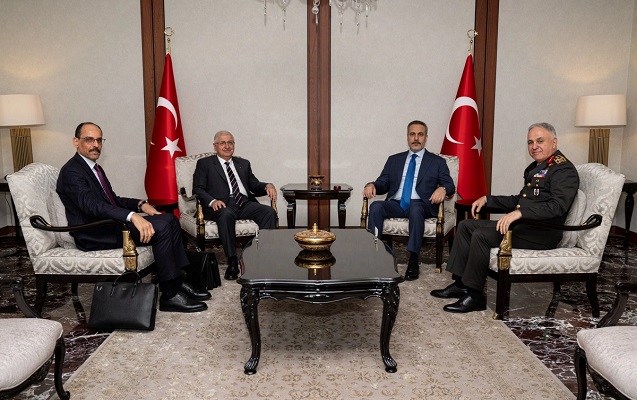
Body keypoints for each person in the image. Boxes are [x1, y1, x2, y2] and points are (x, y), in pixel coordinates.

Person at [57, 122, 210, 313]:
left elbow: (112, 200)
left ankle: (177, 281)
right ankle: (170, 295)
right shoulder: (72, 171)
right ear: (76, 141)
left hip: (109, 225)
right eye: (89, 140)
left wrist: (140, 205)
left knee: (170, 219)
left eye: (99, 140)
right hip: (94, 233)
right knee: (162, 227)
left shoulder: (94, 168)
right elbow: (91, 205)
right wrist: (132, 216)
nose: (95, 145)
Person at [431, 122, 579, 313]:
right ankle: (461, 285)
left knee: (482, 235)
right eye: (530, 142)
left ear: (554, 142)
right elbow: (520, 200)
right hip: (525, 226)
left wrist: (521, 213)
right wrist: (488, 199)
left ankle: (475, 296)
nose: (534, 146)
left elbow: (557, 206)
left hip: (541, 233)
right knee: (466, 226)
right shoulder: (539, 167)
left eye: (540, 141)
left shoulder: (563, 170)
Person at [363, 120, 456, 280]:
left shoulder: (437, 162)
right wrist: (371, 184)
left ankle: (413, 259)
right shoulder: (394, 160)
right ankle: (376, 255)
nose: (416, 138)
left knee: (415, 208)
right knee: (377, 206)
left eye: (420, 134)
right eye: (412, 134)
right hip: (397, 204)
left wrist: (443, 189)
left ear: (426, 138)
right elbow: (383, 183)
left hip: (422, 205)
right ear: (407, 137)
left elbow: (450, 185)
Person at [192, 130, 277, 280]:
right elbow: (198, 188)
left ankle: (262, 256)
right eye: (222, 143)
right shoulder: (205, 164)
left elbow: (254, 185)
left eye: (230, 142)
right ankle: (232, 261)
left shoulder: (243, 163)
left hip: (243, 203)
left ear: (234, 145)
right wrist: (212, 201)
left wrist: (267, 185)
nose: (227, 146)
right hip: (221, 205)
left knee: (268, 212)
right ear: (215, 146)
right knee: (226, 214)